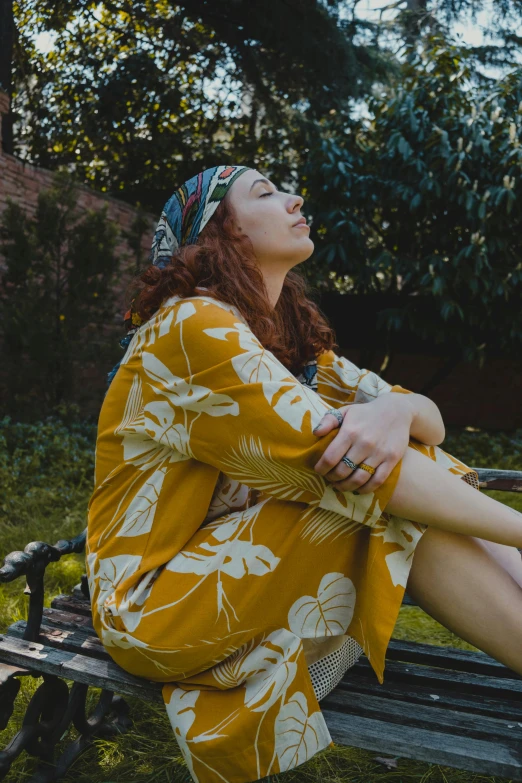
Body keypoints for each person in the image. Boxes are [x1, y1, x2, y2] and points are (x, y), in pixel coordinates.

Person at [87, 164, 522, 783]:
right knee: (375, 487)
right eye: (264, 193)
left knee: (392, 461)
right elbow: (367, 472)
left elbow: (432, 425)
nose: (294, 199)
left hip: (230, 578)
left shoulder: (286, 344)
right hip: (151, 606)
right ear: (218, 235)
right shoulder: (191, 326)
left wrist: (396, 409)